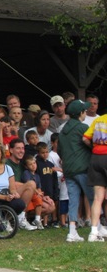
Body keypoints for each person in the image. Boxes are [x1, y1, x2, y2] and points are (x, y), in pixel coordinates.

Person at [0, 140, 36, 231]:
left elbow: (12, 188)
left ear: (1, 154)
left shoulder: (8, 168)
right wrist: (4, 197)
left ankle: (12, 219)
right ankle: (1, 221)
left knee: (20, 203)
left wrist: (14, 194)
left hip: (6, 196)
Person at [59, 99, 93, 242]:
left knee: (73, 200)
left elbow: (60, 152)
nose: (86, 112)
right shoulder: (82, 127)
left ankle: (72, 231)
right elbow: (91, 145)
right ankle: (96, 228)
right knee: (94, 198)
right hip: (83, 169)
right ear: (80, 113)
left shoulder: (62, 131)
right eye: (84, 110)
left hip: (68, 170)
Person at [82, 102, 107, 242]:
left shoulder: (98, 120)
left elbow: (85, 138)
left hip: (96, 158)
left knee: (98, 198)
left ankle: (93, 233)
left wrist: (94, 147)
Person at [22, 155, 51, 230]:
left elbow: (39, 187)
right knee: (37, 198)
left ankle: (37, 219)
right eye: (30, 164)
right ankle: (32, 219)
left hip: (36, 195)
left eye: (34, 163)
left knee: (41, 200)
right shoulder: (26, 173)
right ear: (26, 166)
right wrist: (37, 193)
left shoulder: (37, 176)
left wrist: (40, 193)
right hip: (28, 195)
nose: (33, 165)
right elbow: (29, 185)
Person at [34, 142, 59, 227]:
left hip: (50, 187)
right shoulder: (37, 164)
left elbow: (54, 179)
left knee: (50, 204)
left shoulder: (50, 164)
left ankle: (45, 222)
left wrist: (55, 190)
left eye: (46, 152)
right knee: (42, 204)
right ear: (38, 153)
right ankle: (40, 222)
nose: (45, 154)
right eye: (42, 152)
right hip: (41, 188)